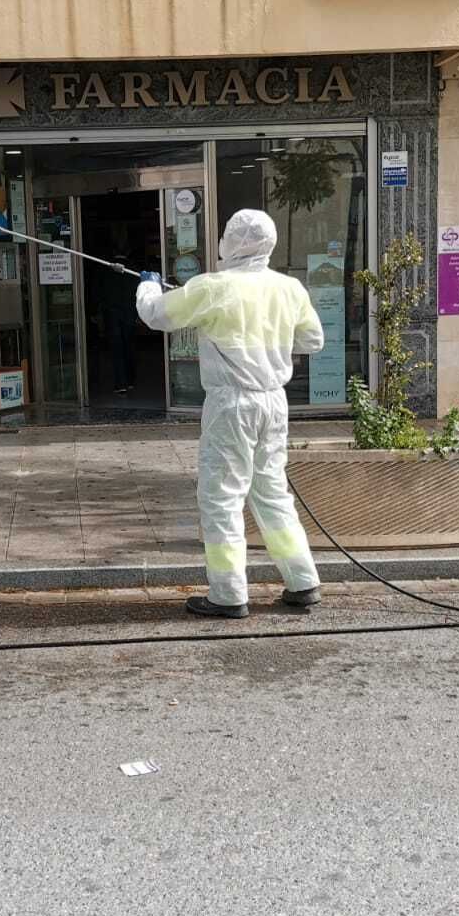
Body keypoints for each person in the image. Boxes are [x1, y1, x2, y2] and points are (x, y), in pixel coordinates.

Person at [135, 209, 325, 619]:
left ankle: (228, 594)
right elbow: (312, 339)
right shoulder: (289, 288)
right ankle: (302, 581)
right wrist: (268, 343)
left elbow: (158, 315)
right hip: (274, 402)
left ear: (231, 242)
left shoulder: (212, 287)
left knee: (221, 499)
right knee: (272, 494)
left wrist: (147, 288)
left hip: (231, 404)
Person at [99, 249, 139, 393]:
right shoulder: (133, 269)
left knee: (117, 348)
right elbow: (138, 292)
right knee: (129, 346)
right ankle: (131, 380)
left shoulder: (106, 269)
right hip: (129, 312)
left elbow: (100, 292)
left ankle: (121, 383)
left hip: (112, 314)